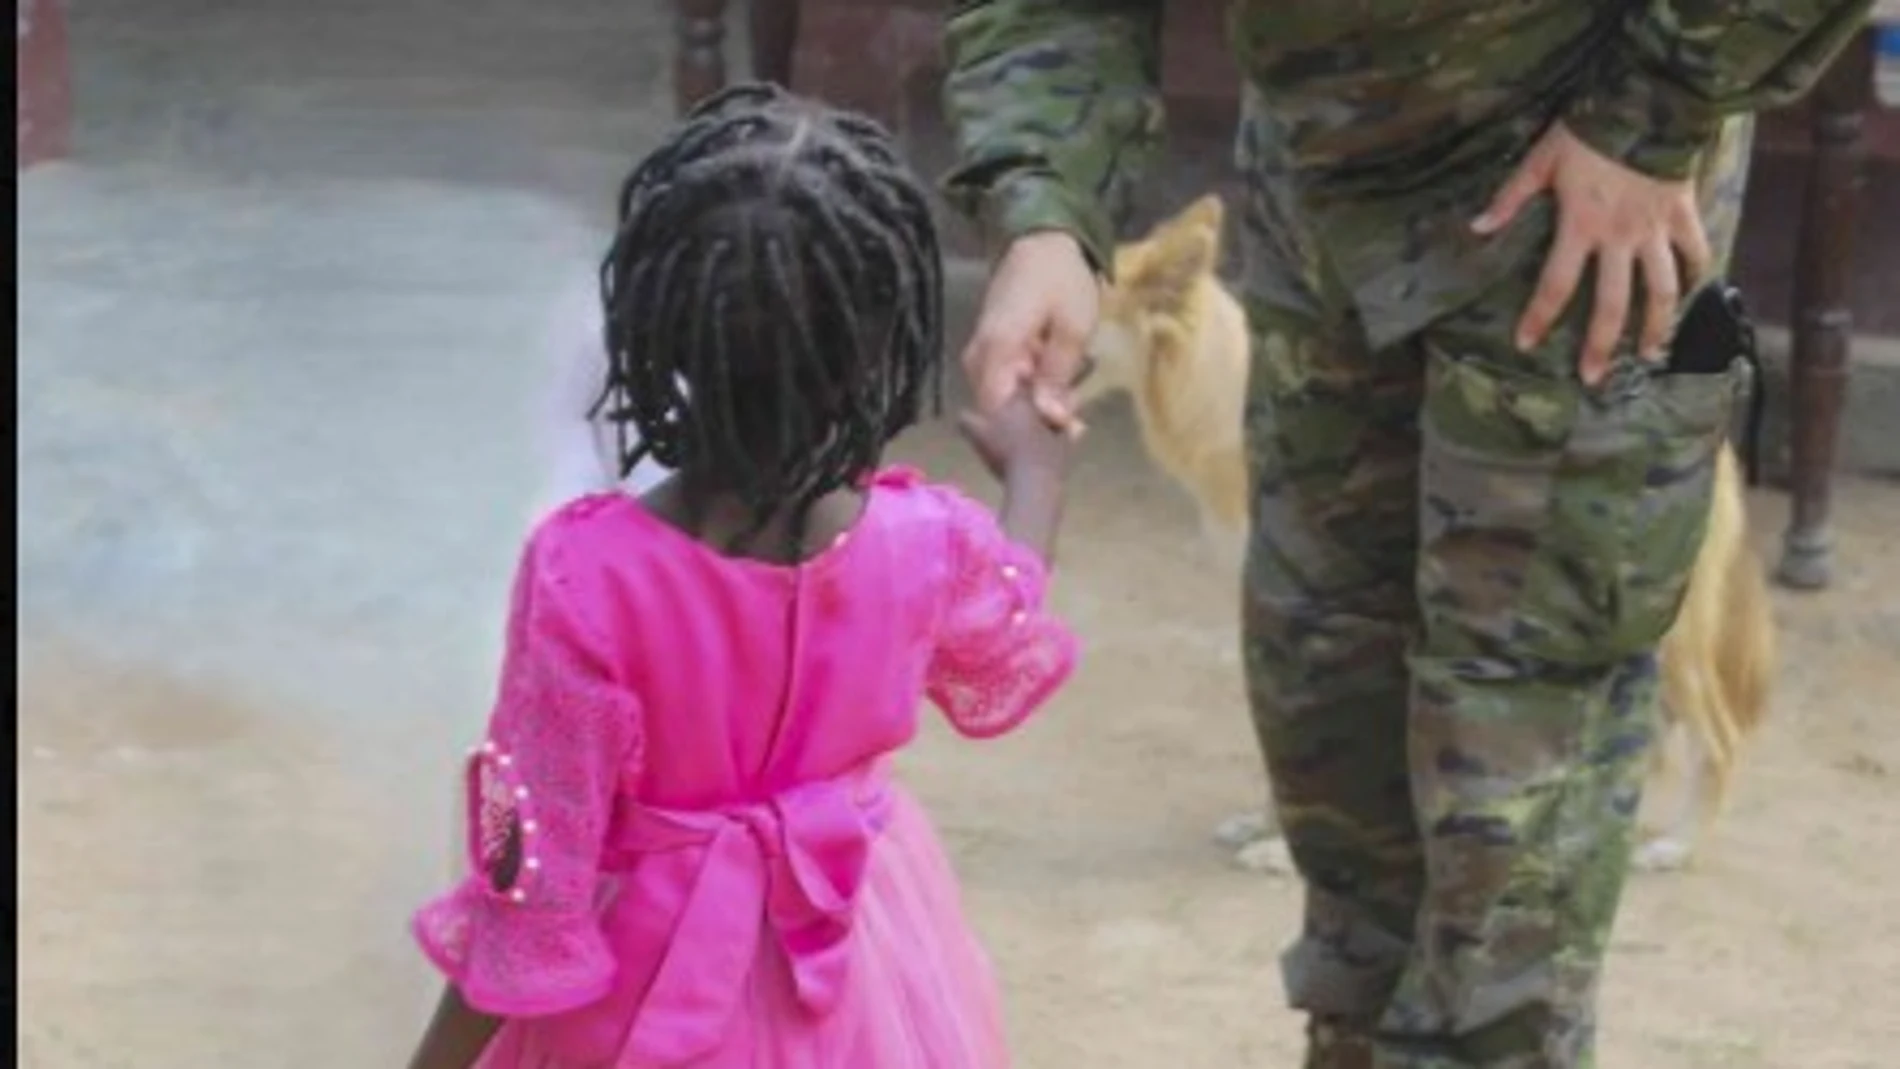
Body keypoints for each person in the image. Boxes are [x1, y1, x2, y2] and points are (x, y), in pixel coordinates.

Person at [942, 3, 1872, 1066]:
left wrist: (1651, 112)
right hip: (1326, 191)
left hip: (1580, 203)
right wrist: (1046, 206)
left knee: (1504, 844)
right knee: (1336, 753)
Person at [404, 82, 1079, 1069]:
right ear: (878, 352)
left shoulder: (585, 577)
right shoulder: (920, 541)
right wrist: (1035, 468)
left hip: (644, 1002)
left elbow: (535, 879)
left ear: (653, 334)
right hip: (858, 971)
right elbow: (1008, 614)